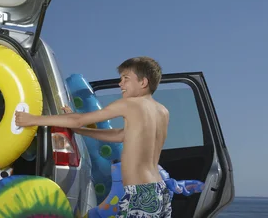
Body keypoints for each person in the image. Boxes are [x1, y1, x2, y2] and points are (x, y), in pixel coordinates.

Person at [16, 56, 172, 217]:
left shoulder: (129, 104)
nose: (121, 84)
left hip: (140, 192)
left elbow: (78, 120)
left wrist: (33, 119)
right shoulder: (161, 111)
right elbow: (121, 135)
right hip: (159, 189)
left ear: (143, 82)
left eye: (126, 79)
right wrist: (82, 131)